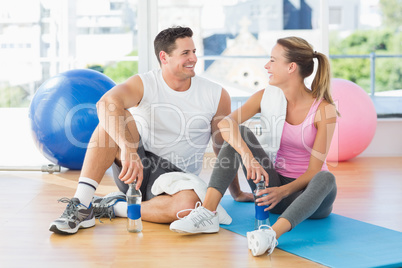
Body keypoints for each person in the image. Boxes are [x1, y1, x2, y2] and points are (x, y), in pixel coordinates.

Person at [49, 26, 251, 235]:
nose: (193, 58)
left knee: (190, 206)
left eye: (194, 52)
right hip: (135, 167)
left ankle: (114, 207)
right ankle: (81, 205)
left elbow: (223, 146)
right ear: (164, 57)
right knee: (112, 115)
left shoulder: (216, 94)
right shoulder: (144, 83)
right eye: (185, 53)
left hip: (178, 179)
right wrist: (128, 149)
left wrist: (236, 192)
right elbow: (106, 103)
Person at [169, 36, 338, 257]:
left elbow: (314, 171)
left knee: (326, 178)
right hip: (271, 191)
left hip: (308, 198)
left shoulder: (324, 110)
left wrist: (283, 191)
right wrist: (247, 157)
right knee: (241, 133)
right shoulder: (265, 97)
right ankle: (208, 213)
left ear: (291, 67)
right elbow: (225, 123)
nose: (267, 66)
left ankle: (270, 236)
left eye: (272, 61)